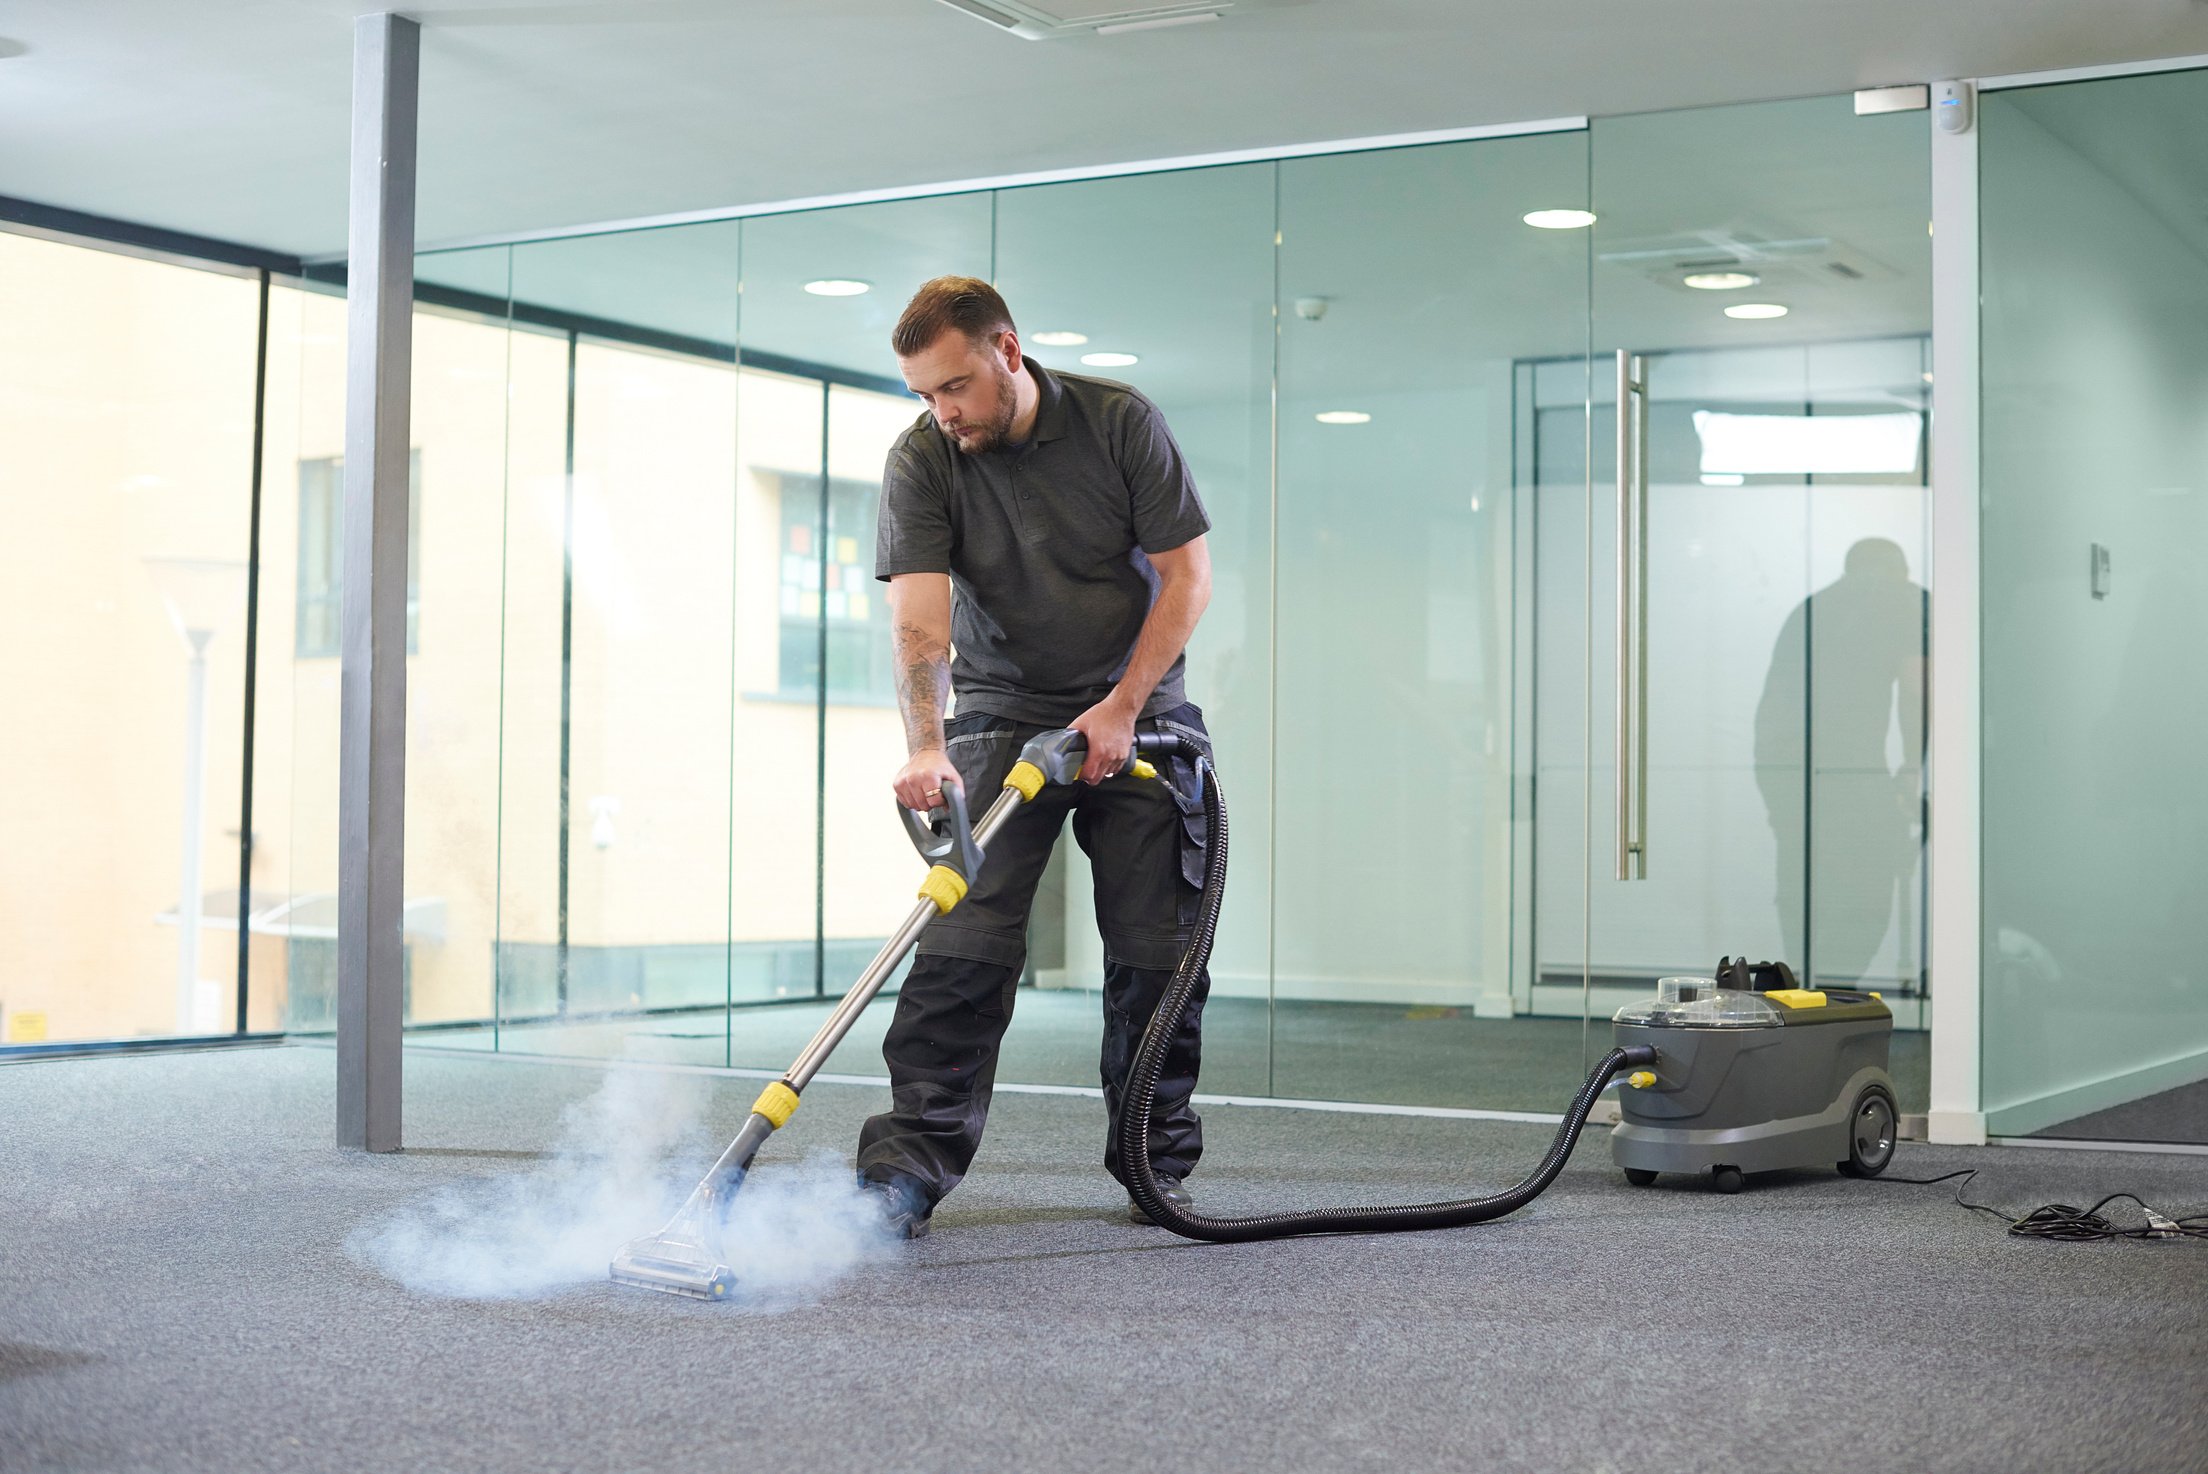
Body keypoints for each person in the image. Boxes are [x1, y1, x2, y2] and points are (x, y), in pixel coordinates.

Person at [854, 276, 1215, 1237]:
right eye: (924, 394)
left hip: (1139, 714)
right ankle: (906, 1171)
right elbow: (920, 620)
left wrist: (1121, 707)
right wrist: (926, 748)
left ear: (1007, 350)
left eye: (956, 386)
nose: (945, 412)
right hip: (1003, 711)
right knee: (960, 947)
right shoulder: (924, 456)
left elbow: (1188, 578)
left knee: (1157, 955)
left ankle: (1151, 1159)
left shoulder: (1118, 423)